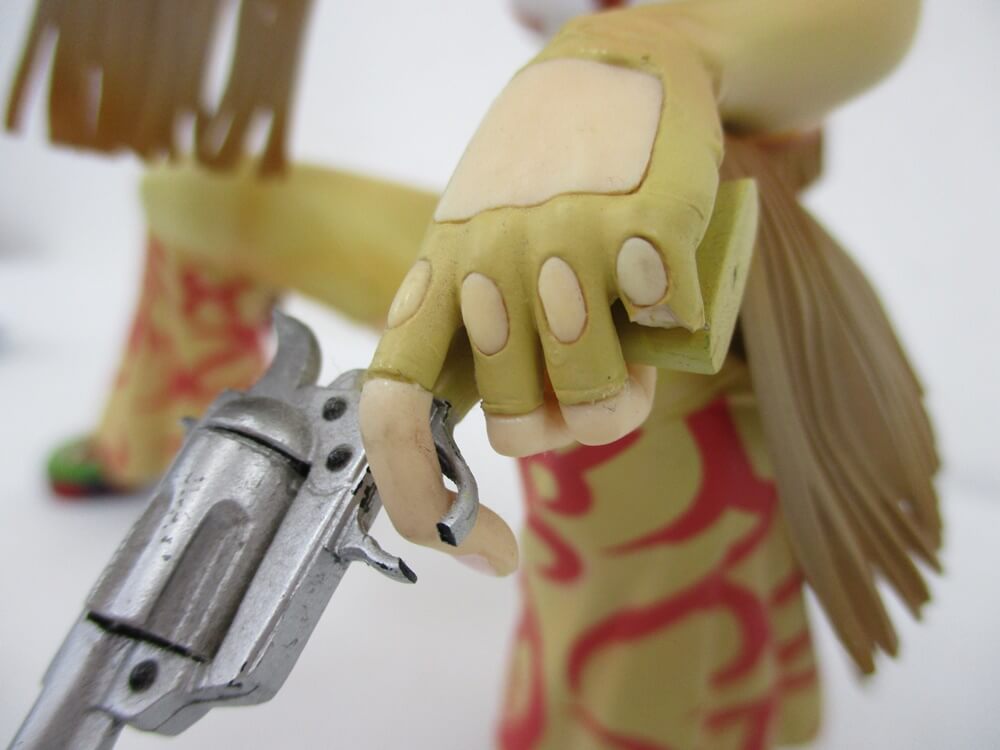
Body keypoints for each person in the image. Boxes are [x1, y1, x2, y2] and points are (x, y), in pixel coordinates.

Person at [6, 2, 938, 747]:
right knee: (195, 201)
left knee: (595, 389)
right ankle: (152, 422)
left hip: (691, 256)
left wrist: (637, 50)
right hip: (520, 210)